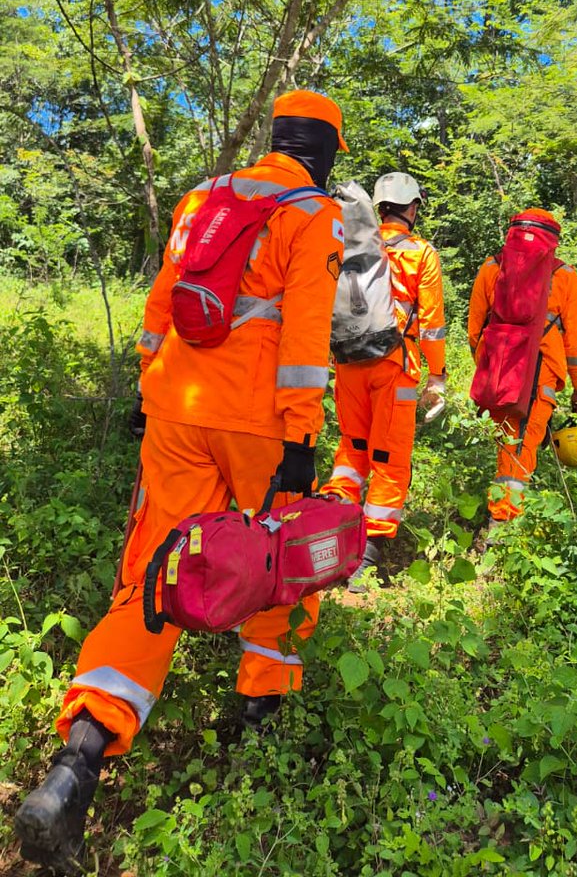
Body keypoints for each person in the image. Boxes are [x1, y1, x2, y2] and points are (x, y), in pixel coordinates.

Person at [15, 89, 348, 874]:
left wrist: (144, 388)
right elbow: (303, 335)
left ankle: (82, 752)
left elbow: (161, 301)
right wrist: (301, 438)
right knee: (280, 564)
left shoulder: (205, 196)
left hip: (175, 407)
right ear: (325, 150)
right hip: (260, 423)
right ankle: (259, 710)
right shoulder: (313, 212)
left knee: (155, 569)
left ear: (274, 137)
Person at [321, 172, 446, 586]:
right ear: (412, 208)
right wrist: (438, 376)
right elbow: (430, 325)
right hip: (396, 367)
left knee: (352, 448)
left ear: (380, 207)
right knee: (390, 460)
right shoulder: (420, 253)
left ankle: (329, 534)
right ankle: (366, 557)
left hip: (347, 363)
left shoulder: (348, 246)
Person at [468, 207, 577, 527]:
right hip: (541, 379)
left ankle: (501, 522)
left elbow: (474, 329)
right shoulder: (565, 276)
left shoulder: (492, 267)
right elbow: (575, 343)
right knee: (521, 453)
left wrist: (488, 366)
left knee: (506, 447)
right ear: (554, 244)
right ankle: (503, 529)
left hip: (498, 372)